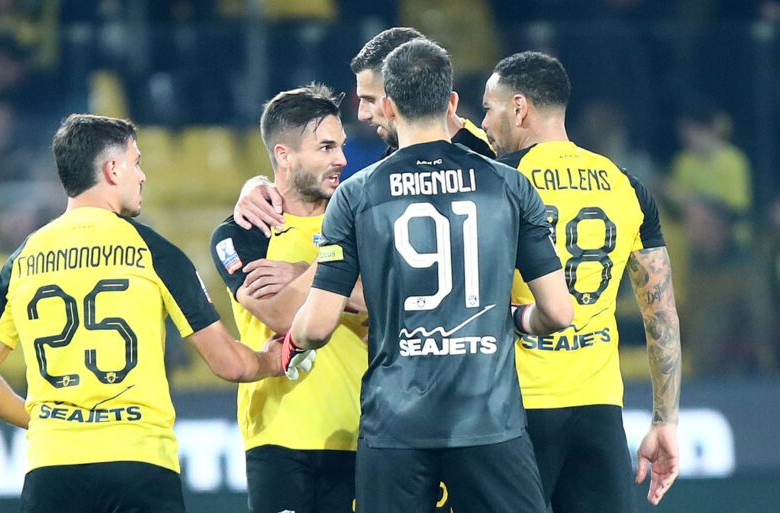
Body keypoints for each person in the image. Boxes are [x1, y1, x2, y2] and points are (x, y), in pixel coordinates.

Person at [0, 114, 306, 513]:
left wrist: (45, 423)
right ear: (112, 169)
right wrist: (274, 358)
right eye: (136, 163)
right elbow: (230, 363)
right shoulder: (155, 252)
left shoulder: (21, 260)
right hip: (139, 464)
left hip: (51, 467)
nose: (141, 176)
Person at [283, 39, 573, 513]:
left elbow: (316, 326)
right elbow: (559, 312)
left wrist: (293, 341)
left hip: (395, 425)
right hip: (489, 420)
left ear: (390, 106)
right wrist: (519, 320)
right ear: (451, 101)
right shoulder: (509, 184)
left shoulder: (356, 195)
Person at [481, 51, 682, 511]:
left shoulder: (499, 182)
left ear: (519, 108)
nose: (486, 123)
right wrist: (665, 421)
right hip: (598, 408)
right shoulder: (626, 185)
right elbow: (662, 313)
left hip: (514, 409)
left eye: (489, 109)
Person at [209, 84, 368, 513]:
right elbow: (281, 315)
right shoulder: (241, 234)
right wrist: (344, 261)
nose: (342, 159)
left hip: (363, 435)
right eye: (326, 147)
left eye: (341, 146)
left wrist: (303, 271)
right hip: (279, 439)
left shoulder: (360, 225)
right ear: (285, 155)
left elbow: (393, 302)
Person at [235, 27, 495, 237]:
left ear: (401, 94)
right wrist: (261, 189)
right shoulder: (390, 165)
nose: (362, 114)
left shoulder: (492, 159)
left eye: (370, 99)